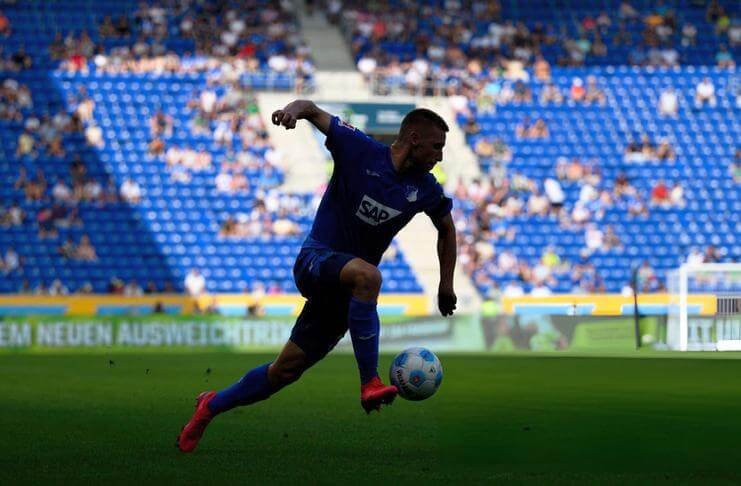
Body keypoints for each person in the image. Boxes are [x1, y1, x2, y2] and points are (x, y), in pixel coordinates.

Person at [177, 101, 458, 452]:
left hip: (344, 292)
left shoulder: (425, 188)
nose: (440, 157)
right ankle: (369, 381)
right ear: (414, 139)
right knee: (369, 276)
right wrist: (292, 112)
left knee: (283, 372)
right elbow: (311, 108)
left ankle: (210, 407)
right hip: (316, 260)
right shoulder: (360, 149)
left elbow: (447, 229)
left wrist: (446, 284)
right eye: (437, 147)